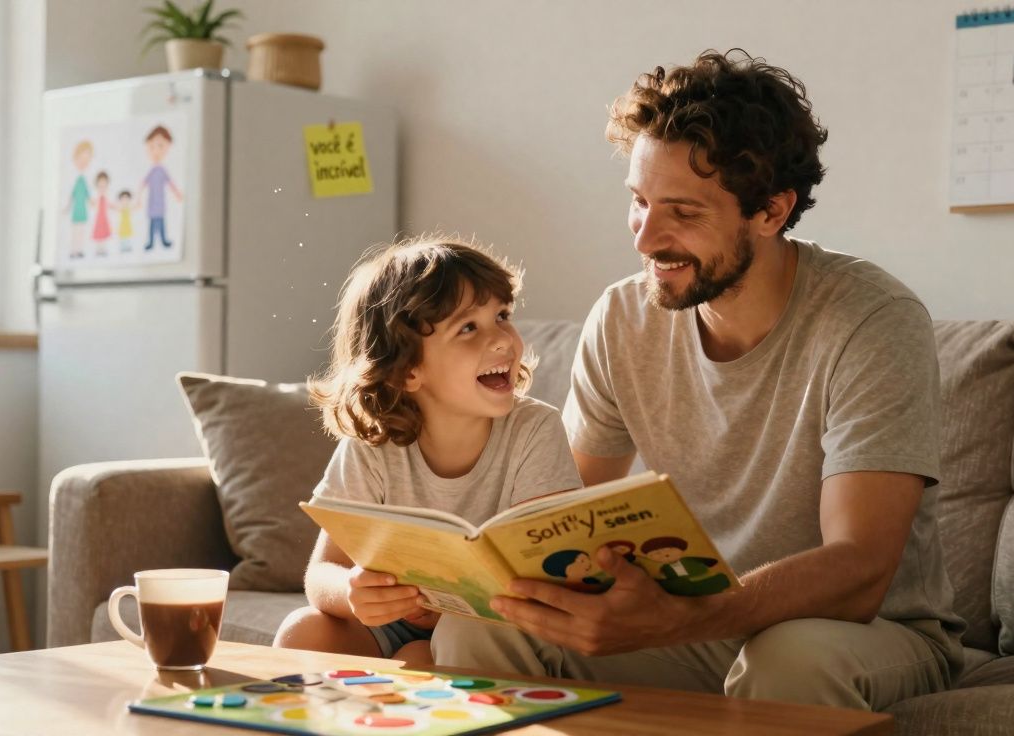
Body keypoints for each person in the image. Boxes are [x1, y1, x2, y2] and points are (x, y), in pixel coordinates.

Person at [431, 50, 965, 710]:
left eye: (682, 213)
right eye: (639, 201)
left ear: (771, 212)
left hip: (863, 631)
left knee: (789, 660)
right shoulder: (623, 318)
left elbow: (859, 568)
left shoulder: (872, 321)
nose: (645, 238)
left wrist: (677, 619)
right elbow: (562, 518)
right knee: (478, 630)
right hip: (694, 625)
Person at [273, 236, 584, 668]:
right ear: (408, 370)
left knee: (422, 656)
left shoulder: (534, 429)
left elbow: (547, 562)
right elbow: (321, 573)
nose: (503, 340)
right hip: (391, 620)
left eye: (502, 315)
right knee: (301, 630)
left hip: (487, 628)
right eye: (468, 328)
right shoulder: (373, 445)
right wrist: (353, 593)